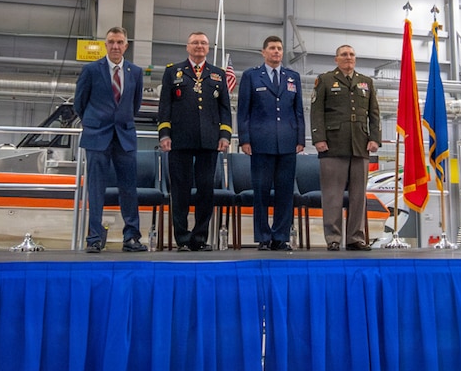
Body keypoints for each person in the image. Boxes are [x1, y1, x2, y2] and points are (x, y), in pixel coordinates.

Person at [72, 26, 146, 253]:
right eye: (112, 42)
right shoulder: (91, 70)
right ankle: (94, 238)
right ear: (106, 44)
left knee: (129, 188)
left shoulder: (136, 71)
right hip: (96, 137)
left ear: (126, 45)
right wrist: (95, 122)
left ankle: (131, 237)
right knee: (95, 189)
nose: (115, 46)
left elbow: (135, 105)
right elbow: (79, 103)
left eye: (120, 42)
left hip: (124, 136)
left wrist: (119, 121)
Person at [157, 31, 232, 251]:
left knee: (205, 190)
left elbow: (225, 109)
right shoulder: (173, 72)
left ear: (208, 48)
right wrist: (164, 134)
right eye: (195, 43)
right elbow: (165, 107)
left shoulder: (217, 74)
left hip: (209, 141)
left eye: (203, 43)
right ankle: (181, 238)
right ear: (187, 46)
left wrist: (225, 135)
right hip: (179, 140)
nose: (199, 46)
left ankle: (200, 238)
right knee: (179, 190)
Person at [310, 43, 381, 250]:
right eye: (344, 54)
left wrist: (375, 138)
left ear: (355, 59)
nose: (348, 57)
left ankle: (354, 238)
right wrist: (318, 139)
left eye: (351, 54)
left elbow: (374, 114)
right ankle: (333, 238)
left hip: (360, 144)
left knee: (359, 196)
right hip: (332, 145)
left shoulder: (366, 82)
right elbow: (316, 112)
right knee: (332, 195)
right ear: (336, 59)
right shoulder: (325, 80)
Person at [238, 36, 306, 251]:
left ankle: (281, 236)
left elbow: (298, 111)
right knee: (261, 192)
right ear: (263, 52)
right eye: (272, 48)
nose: (277, 52)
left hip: (287, 143)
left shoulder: (292, 77)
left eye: (279, 48)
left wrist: (300, 139)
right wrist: (245, 139)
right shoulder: (251, 76)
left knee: (285, 192)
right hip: (260, 143)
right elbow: (243, 111)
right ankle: (263, 236)